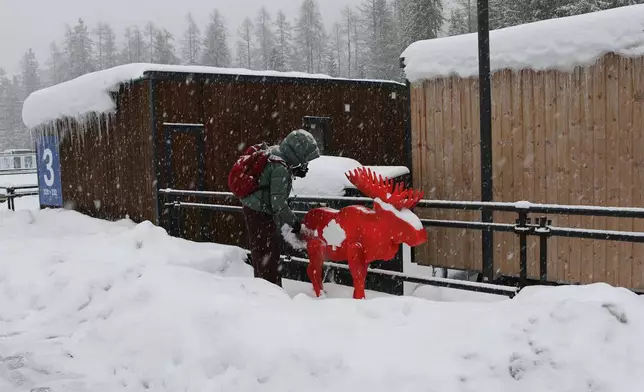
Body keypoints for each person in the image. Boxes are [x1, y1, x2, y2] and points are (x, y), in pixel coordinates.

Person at [239, 129, 320, 287]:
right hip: (259, 212)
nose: (306, 164)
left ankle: (266, 289)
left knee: (264, 252)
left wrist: (294, 169)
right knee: (268, 254)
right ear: (298, 154)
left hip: (256, 209)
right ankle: (270, 293)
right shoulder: (280, 168)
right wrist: (297, 225)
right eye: (305, 159)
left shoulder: (277, 154)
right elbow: (278, 204)